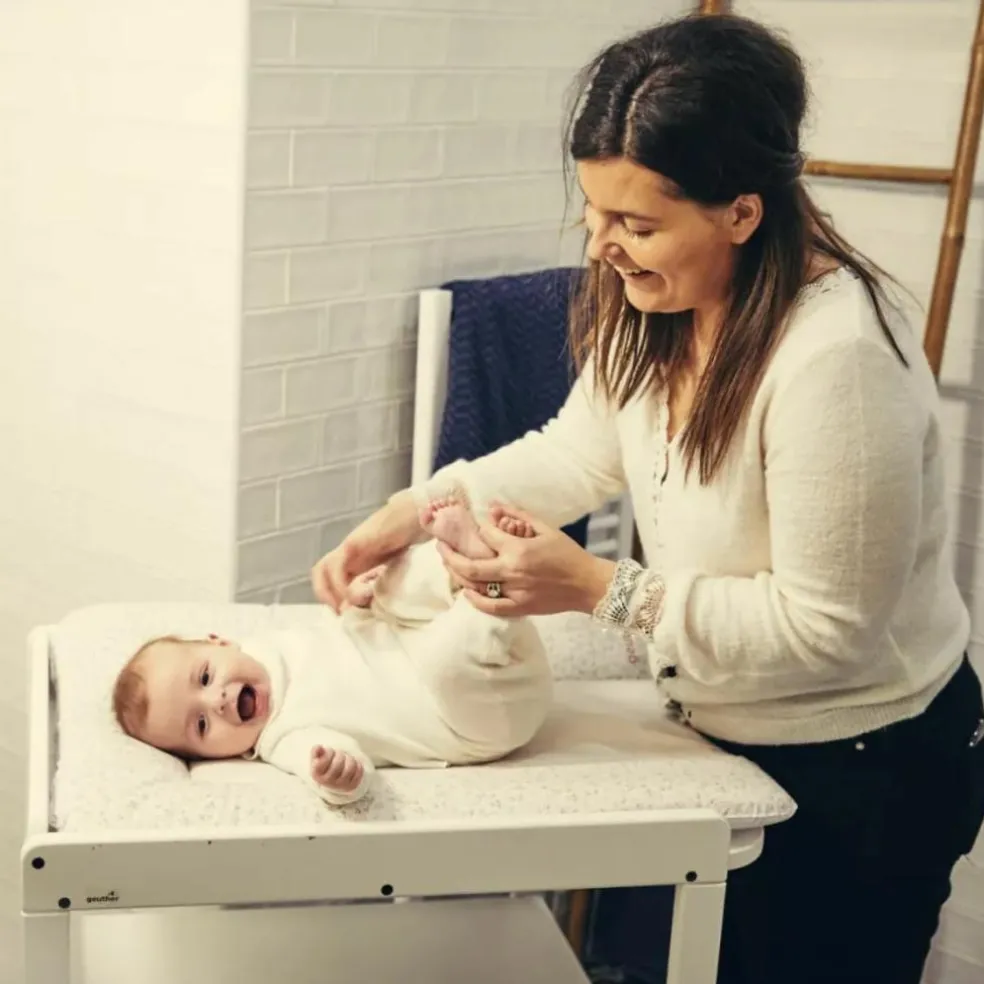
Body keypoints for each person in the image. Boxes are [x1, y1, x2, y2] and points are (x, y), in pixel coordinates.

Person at [311, 12, 984, 984]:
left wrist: (599, 589)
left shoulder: (836, 365)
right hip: (729, 734)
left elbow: (828, 628)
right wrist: (409, 512)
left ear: (741, 213)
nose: (605, 247)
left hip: (862, 776)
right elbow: (576, 452)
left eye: (636, 223)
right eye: (594, 213)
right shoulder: (657, 309)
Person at [112, 499, 552, 805]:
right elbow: (336, 767)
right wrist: (337, 776)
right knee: (442, 664)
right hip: (481, 714)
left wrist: (362, 604)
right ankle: (490, 585)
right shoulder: (281, 739)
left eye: (205, 677)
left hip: (492, 651)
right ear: (215, 756)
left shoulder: (274, 644)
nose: (219, 700)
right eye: (202, 724)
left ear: (220, 641)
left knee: (391, 584)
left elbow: (346, 638)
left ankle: (470, 564)